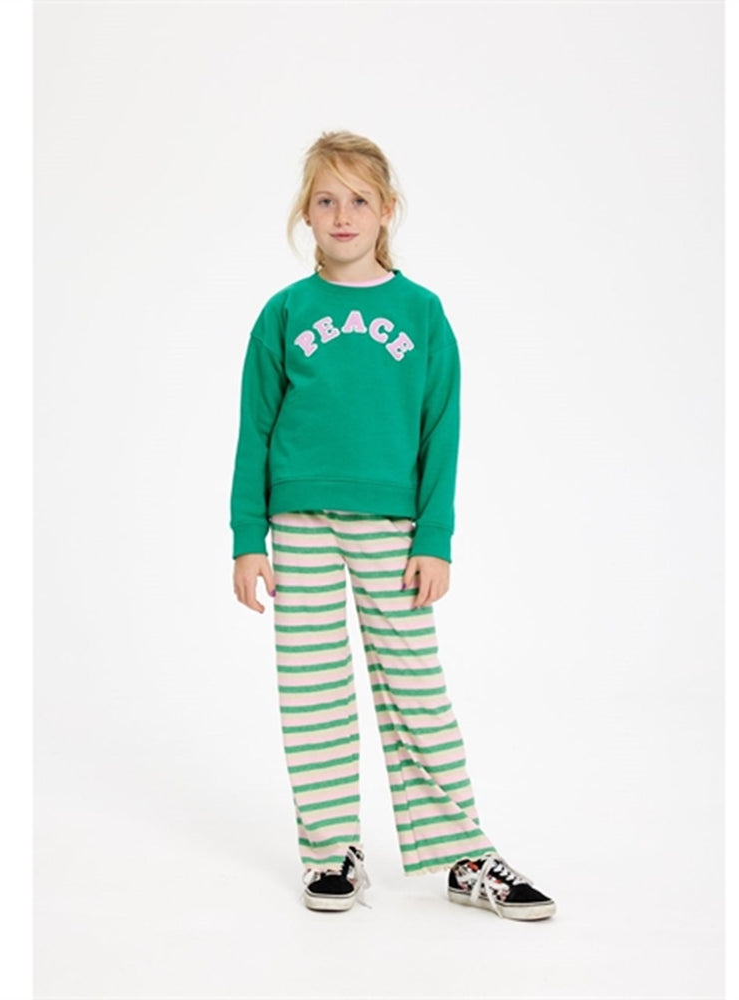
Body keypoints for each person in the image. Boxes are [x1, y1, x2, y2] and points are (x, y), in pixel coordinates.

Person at [229, 130, 556, 921]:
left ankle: (462, 852)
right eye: (326, 199)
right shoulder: (284, 312)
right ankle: (331, 851)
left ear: (387, 211)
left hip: (393, 526)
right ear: (306, 214)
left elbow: (442, 429)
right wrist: (246, 538)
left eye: (359, 199)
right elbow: (254, 428)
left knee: (415, 685)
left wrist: (434, 538)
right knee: (312, 691)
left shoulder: (422, 313)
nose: (342, 214)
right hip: (297, 521)